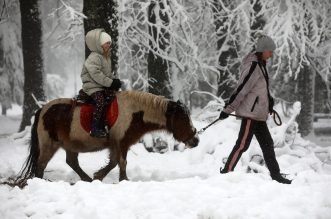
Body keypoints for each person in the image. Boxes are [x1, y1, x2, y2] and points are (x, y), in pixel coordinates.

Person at [218, 34, 292, 184]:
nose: (271, 54)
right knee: (242, 145)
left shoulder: (261, 65)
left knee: (268, 145)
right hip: (250, 114)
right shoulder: (253, 66)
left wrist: (269, 103)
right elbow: (241, 88)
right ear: (262, 50)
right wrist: (228, 109)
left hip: (258, 115)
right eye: (270, 51)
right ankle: (227, 172)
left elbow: (260, 90)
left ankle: (276, 175)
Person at [81, 28, 122, 138]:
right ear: (99, 44)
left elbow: (106, 74)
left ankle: (106, 123)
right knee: (100, 100)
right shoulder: (94, 57)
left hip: (101, 85)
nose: (108, 45)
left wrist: (114, 81)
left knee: (113, 98)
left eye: (109, 43)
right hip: (92, 86)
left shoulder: (105, 57)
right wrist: (110, 83)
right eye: (106, 43)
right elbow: (96, 74)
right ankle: (94, 127)